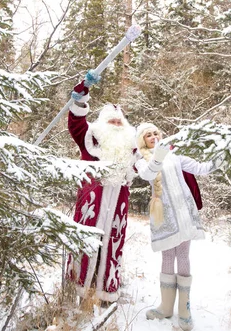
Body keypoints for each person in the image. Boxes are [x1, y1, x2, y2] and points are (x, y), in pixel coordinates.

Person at [135, 122, 223, 331]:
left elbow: (201, 168)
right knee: (168, 257)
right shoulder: (141, 160)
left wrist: (222, 155)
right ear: (143, 140)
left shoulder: (175, 156)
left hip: (184, 213)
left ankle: (184, 310)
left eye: (156, 132)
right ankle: (166, 307)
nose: (154, 136)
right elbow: (147, 174)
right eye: (148, 135)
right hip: (164, 216)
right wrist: (158, 156)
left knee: (183, 256)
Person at [65, 71, 138, 303]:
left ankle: (106, 291)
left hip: (117, 203)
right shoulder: (89, 138)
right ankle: (77, 287)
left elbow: (147, 164)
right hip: (91, 203)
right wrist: (82, 92)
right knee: (85, 240)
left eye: (120, 122)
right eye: (111, 122)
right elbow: (76, 120)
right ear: (101, 124)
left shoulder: (132, 147)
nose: (117, 125)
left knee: (112, 243)